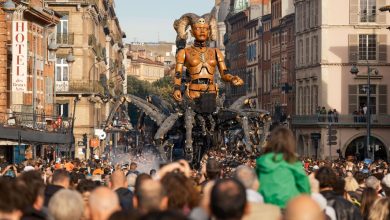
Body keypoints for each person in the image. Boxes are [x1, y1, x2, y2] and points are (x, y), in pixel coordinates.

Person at [256, 126, 311, 208]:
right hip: (289, 206)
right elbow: (305, 188)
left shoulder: (262, 162)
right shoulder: (292, 162)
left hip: (266, 206)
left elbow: (255, 185)